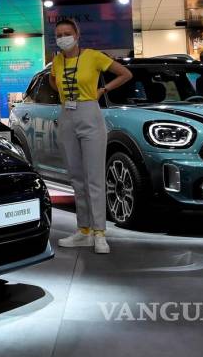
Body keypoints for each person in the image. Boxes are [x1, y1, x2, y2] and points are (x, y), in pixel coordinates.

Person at [50, 20, 132, 254]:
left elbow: (125, 74)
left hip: (90, 113)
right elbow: (55, 84)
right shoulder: (57, 60)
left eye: (67, 33)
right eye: (59, 34)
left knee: (94, 177)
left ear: (77, 34)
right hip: (66, 114)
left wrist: (103, 90)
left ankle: (100, 233)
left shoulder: (93, 56)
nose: (63, 37)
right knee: (76, 178)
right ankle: (83, 230)